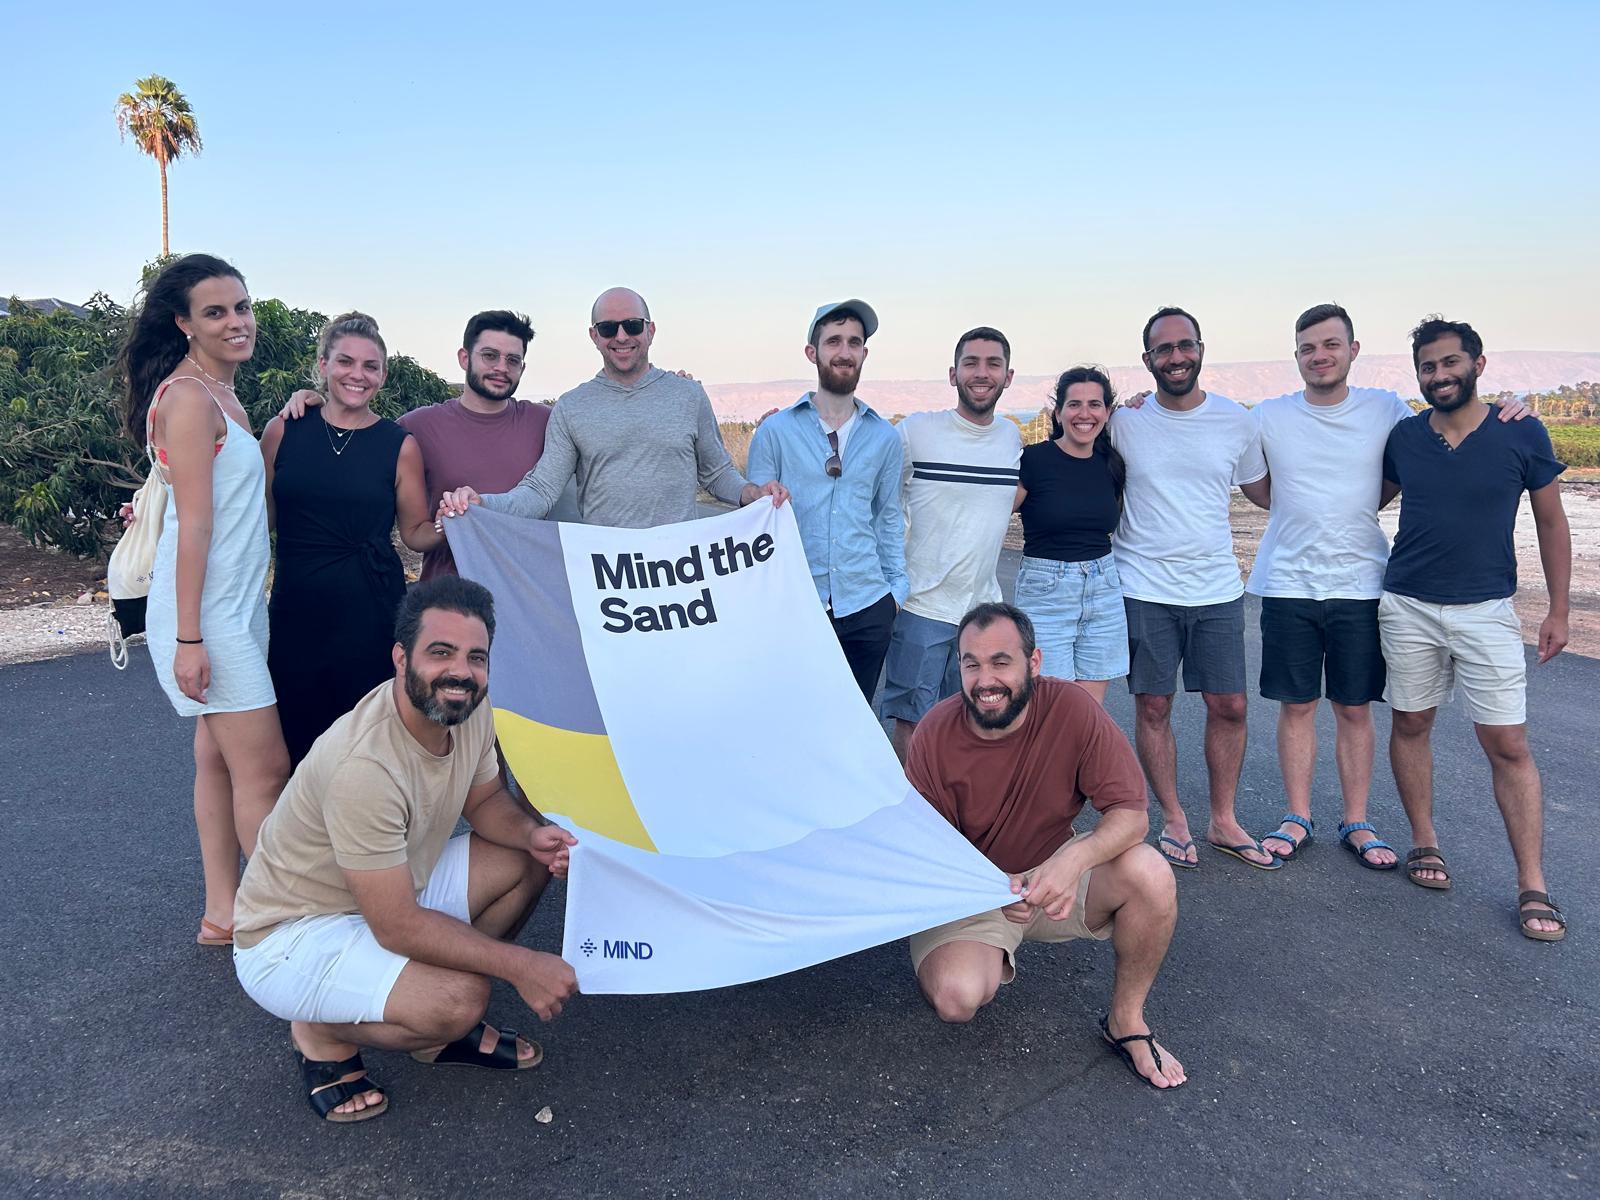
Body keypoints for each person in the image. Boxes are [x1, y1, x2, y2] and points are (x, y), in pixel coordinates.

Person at [232, 577, 580, 1123]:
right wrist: (522, 965)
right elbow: (396, 926)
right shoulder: (365, 767)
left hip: (387, 887)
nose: (461, 671)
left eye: (476, 656)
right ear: (401, 657)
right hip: (291, 930)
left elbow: (486, 799)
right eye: (440, 653)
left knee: (521, 859)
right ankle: (320, 1032)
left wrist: (532, 835)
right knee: (460, 999)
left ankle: (426, 1023)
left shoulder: (466, 708)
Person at [1247, 304, 1530, 871]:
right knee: (1297, 706)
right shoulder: (1268, 416)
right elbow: (1258, 486)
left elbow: (1444, 428)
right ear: (1296, 356)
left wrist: (1508, 405)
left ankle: (1357, 820)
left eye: (1330, 345)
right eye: (1307, 347)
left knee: (1355, 709)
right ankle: (1296, 816)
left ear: (1353, 351)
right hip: (1287, 581)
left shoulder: (1386, 409)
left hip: (1363, 582)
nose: (1319, 355)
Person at [905, 603, 1186, 1090]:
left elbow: (1131, 814)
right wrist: (990, 890)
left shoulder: (1073, 709)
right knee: (957, 998)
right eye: (971, 663)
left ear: (1033, 663)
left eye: (1001, 662)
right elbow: (920, 851)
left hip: (1054, 873)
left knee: (1151, 874)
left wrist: (1070, 860)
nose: (985, 679)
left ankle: (1127, 1020)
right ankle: (973, 951)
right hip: (968, 888)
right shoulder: (934, 733)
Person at [117, 253, 290, 947]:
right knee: (266, 770)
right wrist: (190, 638)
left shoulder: (223, 397)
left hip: (237, 608)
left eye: (242, 307)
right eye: (216, 312)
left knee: (216, 761)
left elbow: (244, 501)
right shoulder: (189, 398)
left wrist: (283, 421)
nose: (236, 322)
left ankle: (223, 914)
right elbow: (197, 528)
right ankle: (284, 926)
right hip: (209, 615)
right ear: (183, 323)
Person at [1380, 316, 1570, 941]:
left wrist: (1560, 609)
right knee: (1411, 722)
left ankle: (1533, 883)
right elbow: (1351, 494)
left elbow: (1550, 523)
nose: (1439, 375)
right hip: (1407, 605)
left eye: (1450, 363)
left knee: (1508, 745)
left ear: (1478, 365)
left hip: (1487, 609)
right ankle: (1425, 843)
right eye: (1428, 367)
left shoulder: (1521, 431)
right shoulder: (1405, 438)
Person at [1112, 307, 1274, 871]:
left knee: (1228, 705)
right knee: (1153, 705)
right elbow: (1075, 443)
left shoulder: (1237, 422)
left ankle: (1223, 819)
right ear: (1148, 360)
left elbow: (1267, 493)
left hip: (1216, 587)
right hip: (1144, 584)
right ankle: (1174, 817)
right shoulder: (1124, 421)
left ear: (1201, 349)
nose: (1176, 357)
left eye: (1185, 346)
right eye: (1164, 350)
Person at [439, 288, 786, 528]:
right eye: (608, 328)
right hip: (610, 577)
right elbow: (541, 491)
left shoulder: (688, 396)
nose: (621, 336)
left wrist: (752, 494)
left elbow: (716, 473)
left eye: (632, 326)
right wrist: (485, 504)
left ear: (650, 331)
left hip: (681, 568)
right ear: (594, 336)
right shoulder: (572, 407)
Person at [259, 312, 440, 765]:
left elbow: (416, 534)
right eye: (345, 362)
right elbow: (255, 522)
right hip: (295, 608)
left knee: (368, 747)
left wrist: (467, 519)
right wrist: (163, 513)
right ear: (322, 365)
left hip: (371, 611)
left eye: (370, 366)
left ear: (382, 375)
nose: (357, 375)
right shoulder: (283, 430)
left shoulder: (399, 444)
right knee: (295, 744)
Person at [280, 310, 556, 580]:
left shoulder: (546, 421)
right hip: (447, 600)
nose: (501, 368)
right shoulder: (417, 426)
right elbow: (354, 444)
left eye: (513, 360)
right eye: (489, 356)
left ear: (522, 367)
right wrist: (316, 403)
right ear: (464, 357)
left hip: (527, 599)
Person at [746, 301, 907, 699]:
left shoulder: (884, 437)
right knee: (791, 718)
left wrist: (895, 595)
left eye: (854, 342)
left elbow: (887, 516)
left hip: (868, 604)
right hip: (795, 605)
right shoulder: (775, 432)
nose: (844, 351)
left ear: (864, 354)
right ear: (812, 352)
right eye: (833, 341)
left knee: (855, 725)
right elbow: (754, 525)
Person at [881, 327, 1022, 760]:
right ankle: (916, 817)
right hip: (921, 607)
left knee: (973, 723)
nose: (982, 374)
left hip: (982, 613)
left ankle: (957, 819)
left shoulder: (1011, 440)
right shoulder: (916, 433)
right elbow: (863, 477)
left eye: (992, 364)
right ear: (953, 373)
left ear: (1008, 376)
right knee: (915, 724)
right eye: (971, 363)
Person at [1013, 365, 1128, 706]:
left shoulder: (1112, 463)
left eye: (1095, 404)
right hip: (1046, 592)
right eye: (1074, 404)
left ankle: (1081, 764)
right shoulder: (1032, 461)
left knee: (1088, 711)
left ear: (1107, 412)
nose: (1085, 414)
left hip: (1104, 589)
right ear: (1058, 413)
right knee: (1049, 707)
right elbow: (992, 513)